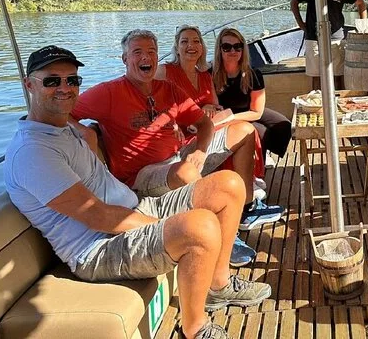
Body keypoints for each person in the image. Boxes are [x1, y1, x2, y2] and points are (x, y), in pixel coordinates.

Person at [4, 45, 272, 339]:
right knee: (200, 227)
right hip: (97, 247)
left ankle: (218, 286)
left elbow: (88, 141)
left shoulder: (62, 129)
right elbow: (98, 217)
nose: (65, 88)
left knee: (228, 185)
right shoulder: (33, 152)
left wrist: (88, 133)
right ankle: (195, 329)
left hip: (133, 208)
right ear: (29, 85)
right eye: (52, 81)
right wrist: (163, 225)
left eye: (72, 80)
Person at [70, 30, 283, 234]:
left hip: (178, 155)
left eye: (152, 52)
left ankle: (246, 209)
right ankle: (216, 230)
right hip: (141, 175)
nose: (146, 57)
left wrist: (200, 150)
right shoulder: (108, 92)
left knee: (244, 130)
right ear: (125, 59)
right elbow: (64, 113)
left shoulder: (168, 89)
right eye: (137, 52)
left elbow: (204, 124)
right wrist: (86, 133)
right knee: (185, 171)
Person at [154, 24, 267, 190]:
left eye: (196, 41)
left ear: (202, 47)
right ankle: (241, 181)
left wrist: (209, 106)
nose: (191, 45)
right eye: (184, 41)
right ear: (177, 48)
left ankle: (246, 181)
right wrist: (172, 122)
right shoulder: (164, 72)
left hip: (202, 130)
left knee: (245, 129)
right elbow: (148, 101)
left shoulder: (205, 76)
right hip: (179, 138)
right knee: (244, 130)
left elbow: (217, 108)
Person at [212, 27, 292, 169]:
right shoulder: (211, 74)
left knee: (284, 125)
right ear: (219, 49)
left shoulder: (253, 74)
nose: (233, 51)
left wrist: (233, 118)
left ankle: (264, 150)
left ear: (243, 49)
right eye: (227, 47)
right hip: (223, 115)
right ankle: (258, 167)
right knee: (260, 132)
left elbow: (257, 112)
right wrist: (227, 118)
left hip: (248, 110)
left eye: (237, 46)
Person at [290, 0, 367, 90]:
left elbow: (361, 4)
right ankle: (316, 102)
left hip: (336, 38)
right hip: (313, 37)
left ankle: (339, 103)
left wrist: (363, 27)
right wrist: (301, 24)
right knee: (316, 77)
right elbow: (294, 2)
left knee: (338, 76)